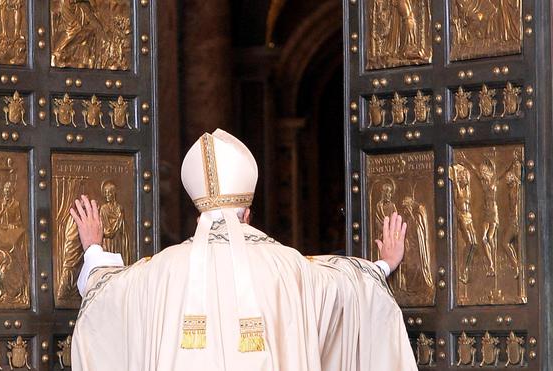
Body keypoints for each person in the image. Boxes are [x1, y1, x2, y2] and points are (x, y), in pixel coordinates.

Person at [70, 129, 416, 370]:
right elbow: (348, 289)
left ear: (198, 213)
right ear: (248, 214)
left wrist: (94, 246)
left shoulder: (161, 270)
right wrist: (383, 264)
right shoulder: (289, 266)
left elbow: (105, 296)